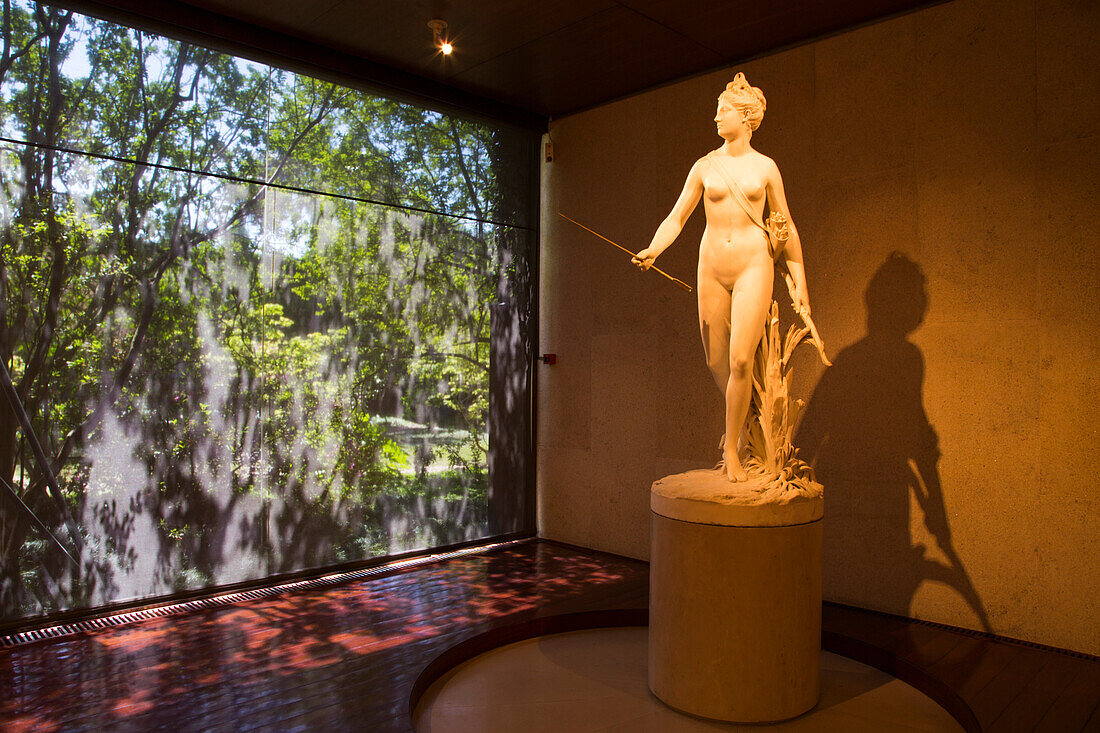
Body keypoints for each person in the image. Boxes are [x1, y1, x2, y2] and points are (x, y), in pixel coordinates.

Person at [632, 73, 814, 482]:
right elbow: (677, 217)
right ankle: (748, 413)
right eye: (717, 110)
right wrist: (653, 249)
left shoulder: (766, 168)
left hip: (754, 264)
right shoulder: (704, 166)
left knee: (741, 359)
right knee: (717, 361)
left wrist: (801, 281)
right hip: (711, 266)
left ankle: (731, 449)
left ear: (746, 118)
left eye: (724, 110)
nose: (716, 117)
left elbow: (787, 227)